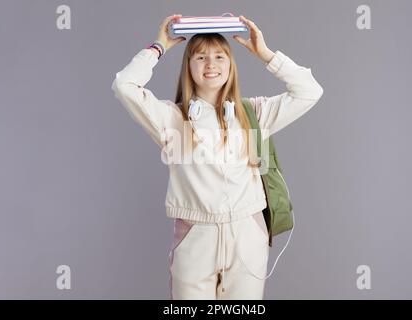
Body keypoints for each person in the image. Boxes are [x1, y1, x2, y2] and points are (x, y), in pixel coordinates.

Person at [111, 14, 324, 300]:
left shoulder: (255, 114)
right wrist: (158, 47)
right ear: (188, 66)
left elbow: (309, 91)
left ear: (231, 66)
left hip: (248, 235)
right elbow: (124, 86)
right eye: (200, 57)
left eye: (220, 57)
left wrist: (265, 54)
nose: (211, 64)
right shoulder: (172, 119)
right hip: (195, 238)